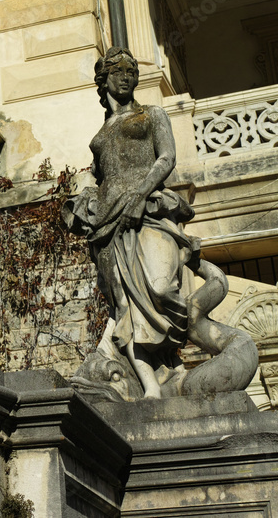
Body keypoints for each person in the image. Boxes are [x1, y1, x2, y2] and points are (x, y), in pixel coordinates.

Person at [63, 47, 195, 398]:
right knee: (125, 305)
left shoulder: (152, 114)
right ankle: (149, 385)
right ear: (104, 78)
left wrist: (141, 194)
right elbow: (99, 177)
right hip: (108, 221)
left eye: (132, 71)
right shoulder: (101, 134)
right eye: (119, 70)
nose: (127, 76)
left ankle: (172, 359)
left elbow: (166, 157)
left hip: (148, 208)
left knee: (161, 287)